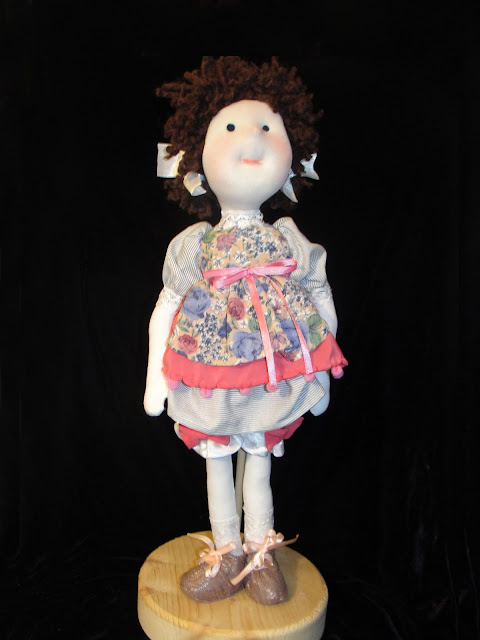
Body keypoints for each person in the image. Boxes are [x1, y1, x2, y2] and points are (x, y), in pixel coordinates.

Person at [144, 57, 347, 605]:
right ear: (197, 158)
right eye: (231, 128)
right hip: (209, 372)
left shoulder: (288, 239)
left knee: (258, 458)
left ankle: (260, 551)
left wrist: (321, 373)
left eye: (267, 128)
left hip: (270, 373)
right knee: (217, 458)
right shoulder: (197, 245)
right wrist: (155, 379)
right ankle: (226, 551)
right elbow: (167, 303)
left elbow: (319, 299)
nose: (252, 140)